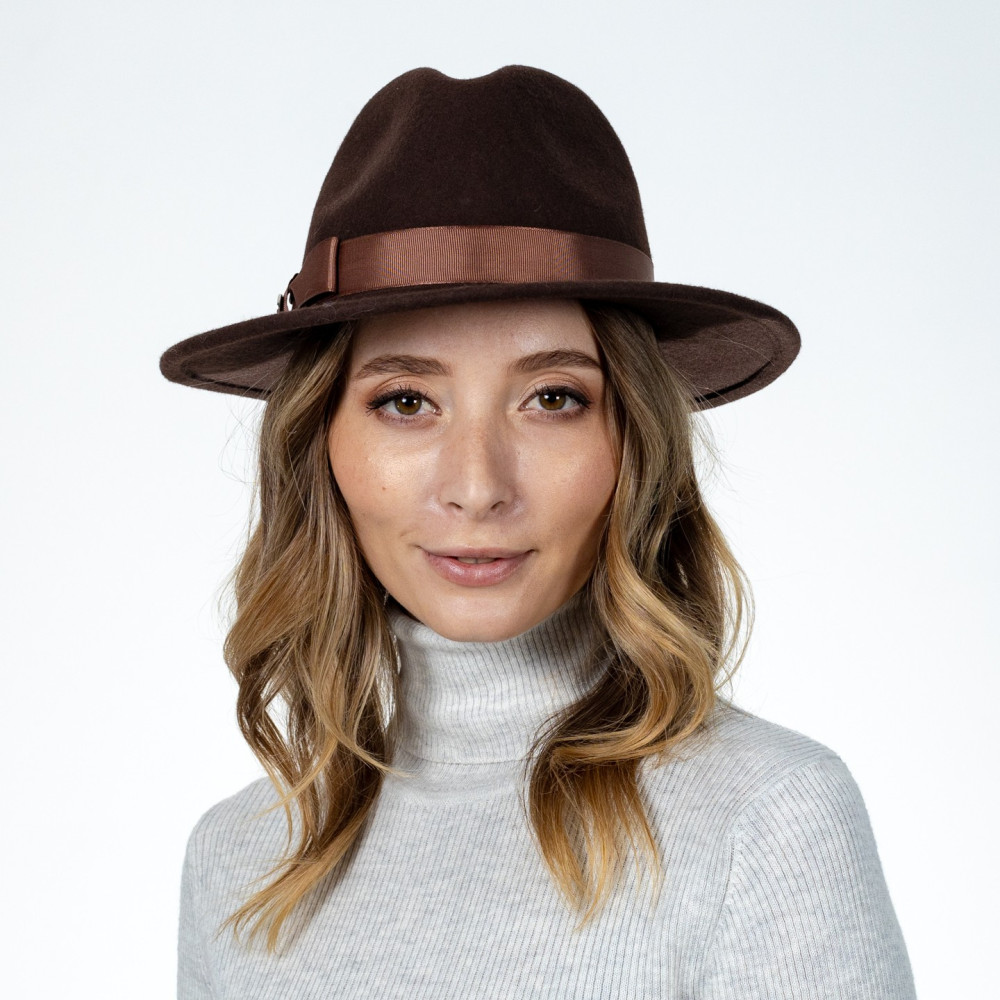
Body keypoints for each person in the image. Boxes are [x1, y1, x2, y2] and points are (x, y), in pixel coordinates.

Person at [160, 66, 916, 999]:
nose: (478, 487)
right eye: (406, 401)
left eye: (553, 398)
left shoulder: (766, 820)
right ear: (323, 443)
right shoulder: (241, 860)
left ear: (634, 440)